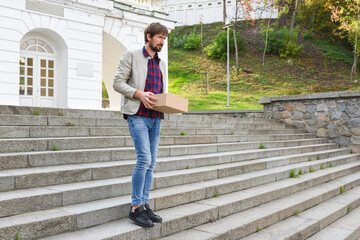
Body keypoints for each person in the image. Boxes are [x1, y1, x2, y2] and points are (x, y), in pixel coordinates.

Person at [113, 22, 168, 228]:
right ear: (149, 36)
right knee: (144, 159)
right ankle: (135, 208)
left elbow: (162, 90)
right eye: (160, 37)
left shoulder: (162, 63)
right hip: (138, 115)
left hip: (155, 117)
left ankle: (144, 204)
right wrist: (139, 94)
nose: (162, 41)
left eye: (164, 38)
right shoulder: (132, 56)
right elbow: (118, 82)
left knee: (152, 162)